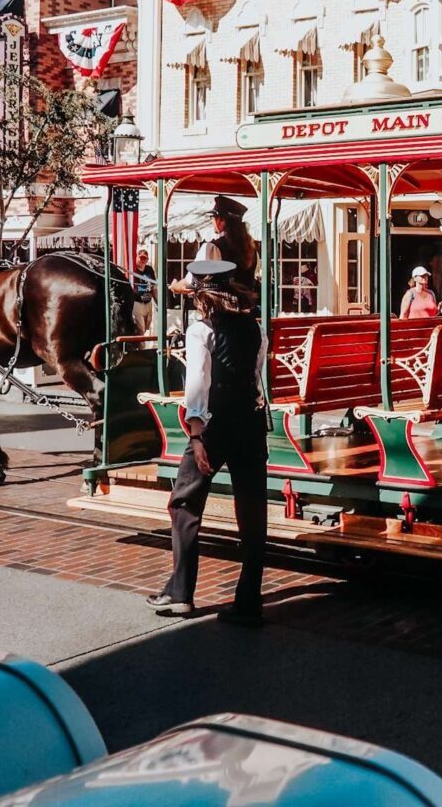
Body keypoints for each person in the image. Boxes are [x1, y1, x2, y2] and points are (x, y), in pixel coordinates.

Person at [147, 260, 267, 626]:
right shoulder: (255, 327)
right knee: (252, 509)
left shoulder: (201, 331)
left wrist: (196, 433)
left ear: (202, 298)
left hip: (215, 426)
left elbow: (198, 385)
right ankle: (249, 599)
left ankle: (181, 592)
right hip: (250, 421)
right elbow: (257, 376)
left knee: (184, 503)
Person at [171, 195, 258, 296]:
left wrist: (176, 287)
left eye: (213, 217)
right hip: (247, 308)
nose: (212, 221)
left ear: (220, 221)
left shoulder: (213, 248)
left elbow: (193, 283)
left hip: (222, 309)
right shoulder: (252, 249)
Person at [132, 248, 157, 332]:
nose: (142, 260)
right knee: (140, 328)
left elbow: (154, 287)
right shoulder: (133, 270)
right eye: (141, 258)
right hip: (137, 303)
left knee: (146, 328)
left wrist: (158, 303)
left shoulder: (149, 270)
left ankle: (140, 344)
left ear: (147, 260)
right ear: (136, 258)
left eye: (144, 258)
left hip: (148, 302)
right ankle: (141, 345)